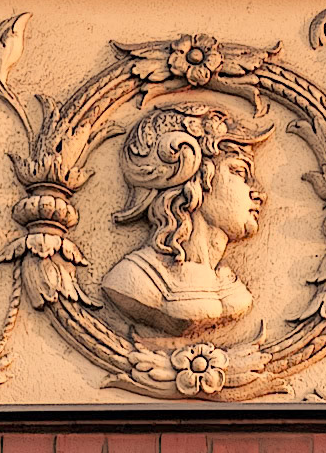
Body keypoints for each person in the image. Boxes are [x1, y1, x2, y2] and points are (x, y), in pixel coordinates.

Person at [101, 104, 272, 336]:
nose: (258, 192)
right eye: (239, 172)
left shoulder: (231, 290)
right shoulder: (134, 281)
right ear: (195, 178)